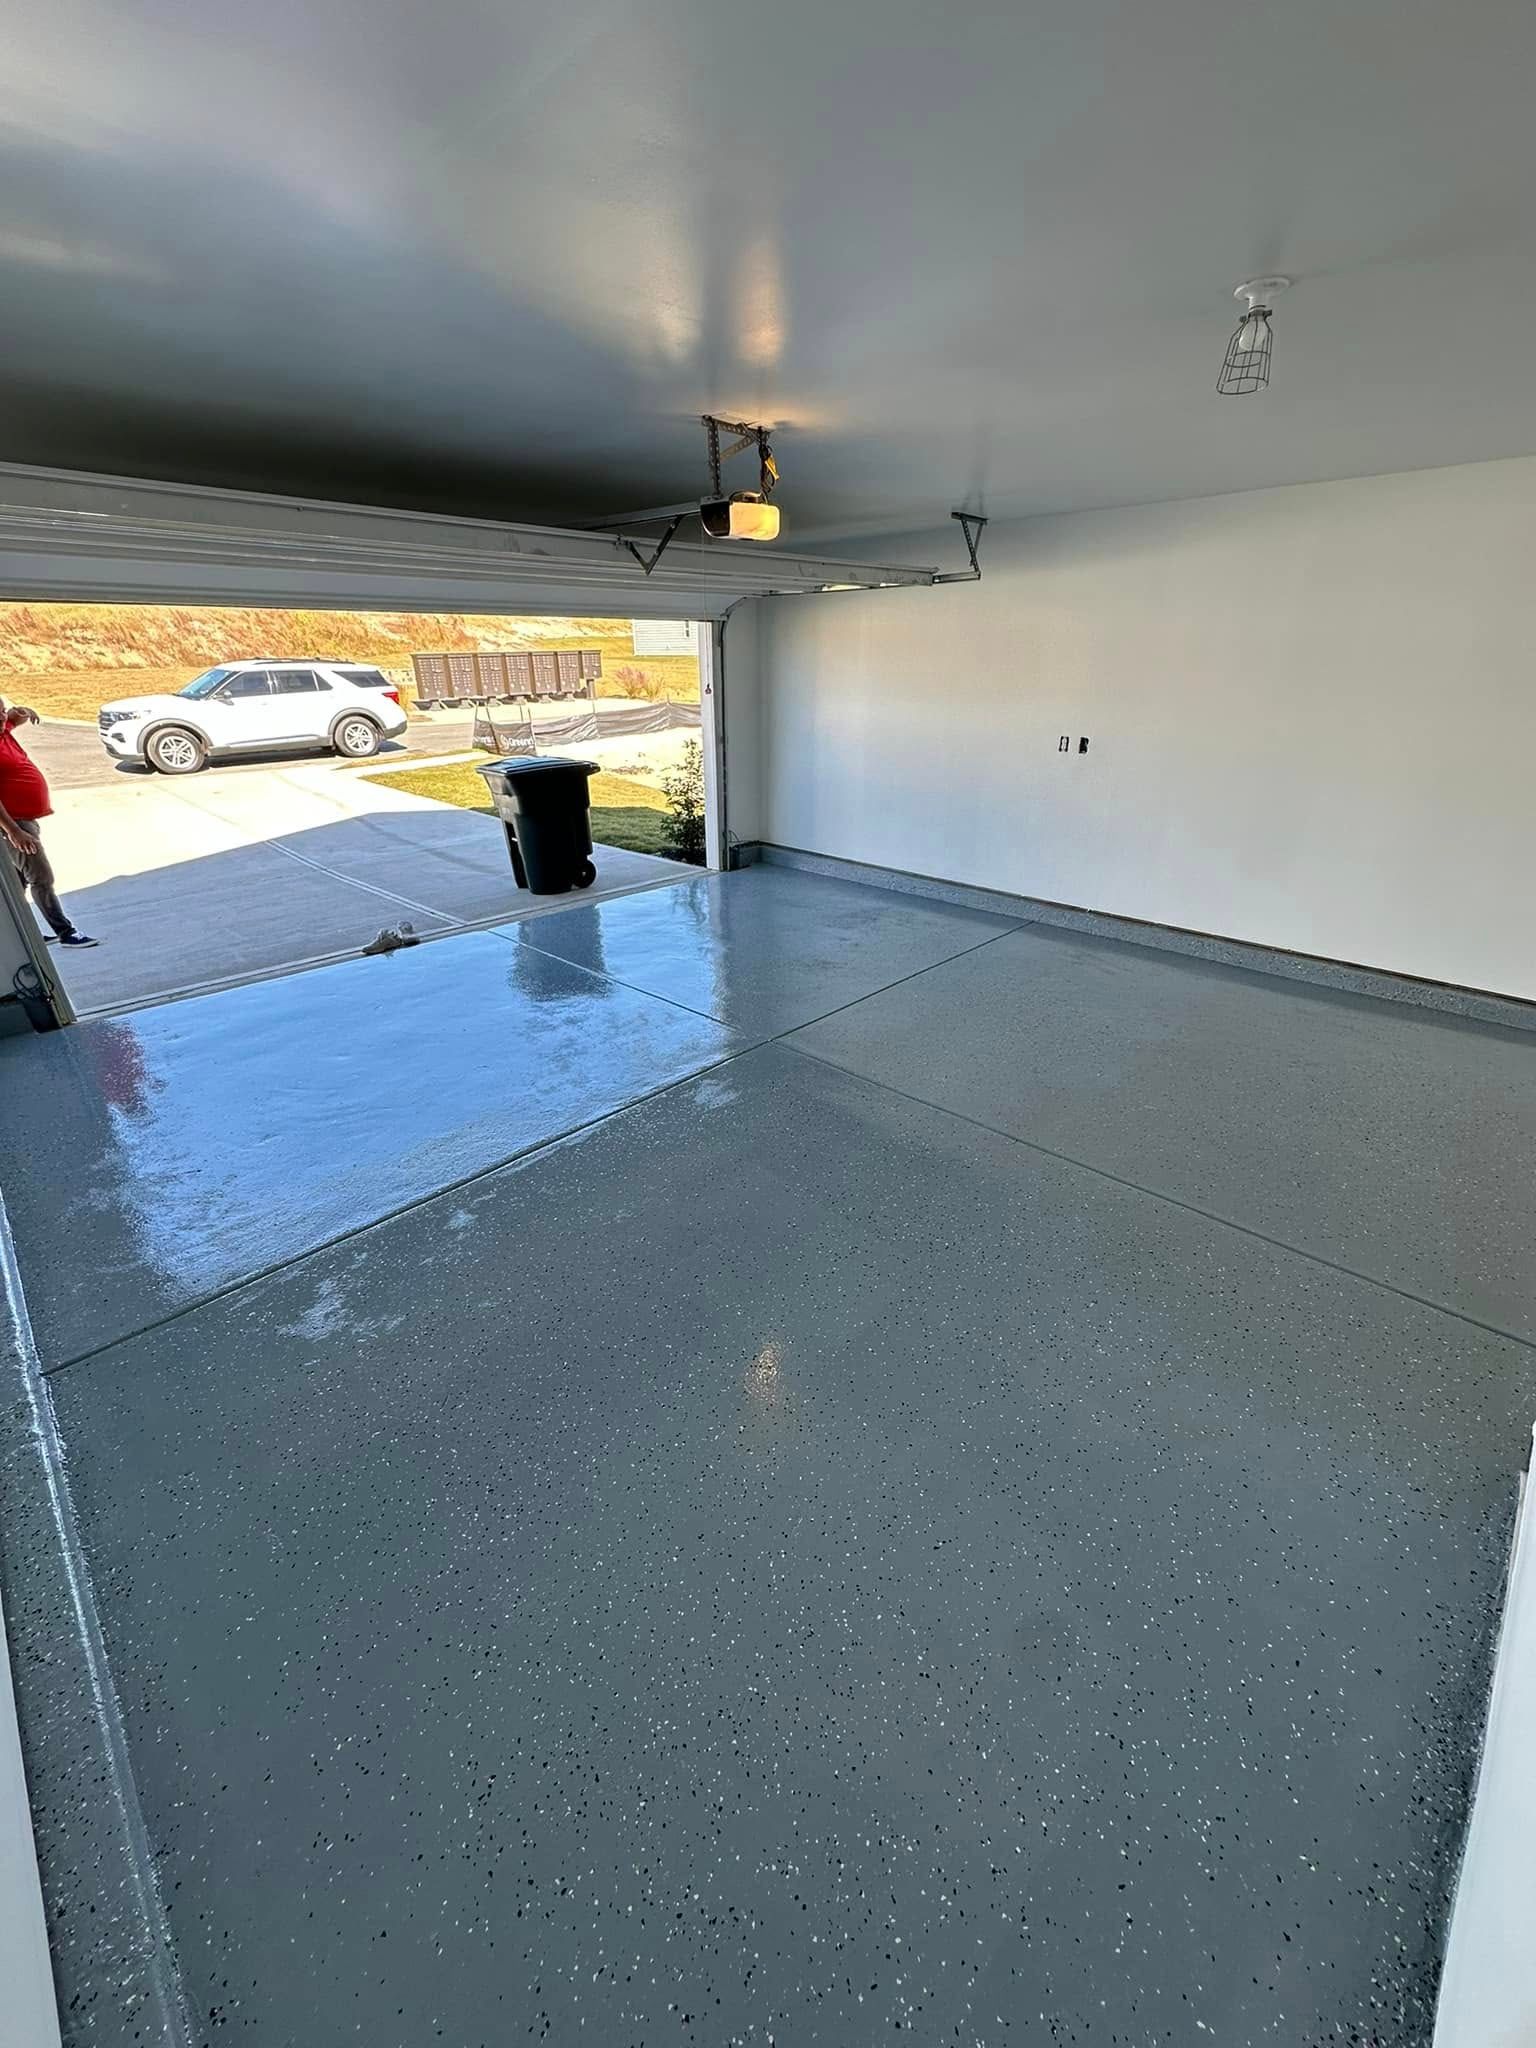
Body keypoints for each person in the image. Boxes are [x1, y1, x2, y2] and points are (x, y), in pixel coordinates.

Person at [0, 696, 97, 948]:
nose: (2, 717)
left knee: (18, 882)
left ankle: (25, 934)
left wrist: (22, 711)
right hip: (15, 825)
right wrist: (13, 831)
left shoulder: (4, 730)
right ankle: (66, 933)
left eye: (2, 711)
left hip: (25, 821)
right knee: (41, 878)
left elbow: (15, 718)